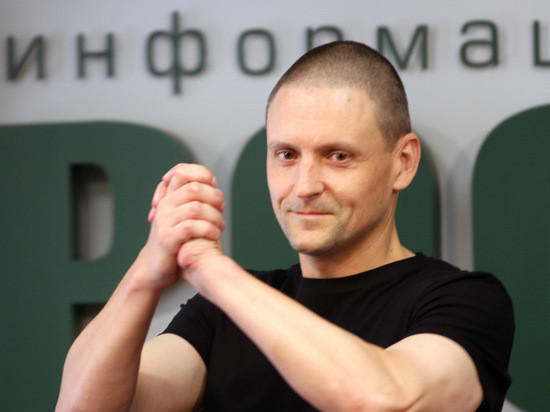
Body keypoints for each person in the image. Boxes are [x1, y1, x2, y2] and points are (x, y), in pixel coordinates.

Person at [56, 41, 514, 412]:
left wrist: (210, 269)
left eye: (338, 156)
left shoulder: (463, 300)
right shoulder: (219, 314)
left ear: (404, 162)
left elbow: (383, 399)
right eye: (286, 155)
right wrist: (146, 272)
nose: (304, 185)